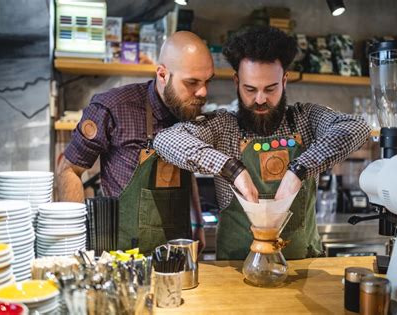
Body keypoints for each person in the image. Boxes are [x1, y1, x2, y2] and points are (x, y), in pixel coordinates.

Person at [153, 26, 372, 260]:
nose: (260, 99)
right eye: (250, 89)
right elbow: (165, 139)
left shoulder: (305, 120)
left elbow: (358, 127)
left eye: (270, 89)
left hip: (303, 269)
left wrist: (299, 170)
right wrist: (232, 169)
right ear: (236, 81)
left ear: (284, 81)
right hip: (235, 273)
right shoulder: (224, 126)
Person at [56, 31, 214, 254]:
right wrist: (75, 243)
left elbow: (186, 171)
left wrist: (197, 222)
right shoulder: (113, 107)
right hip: (122, 256)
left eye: (208, 81)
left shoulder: (188, 111)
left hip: (178, 252)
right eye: (192, 82)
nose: (202, 92)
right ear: (162, 74)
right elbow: (68, 170)